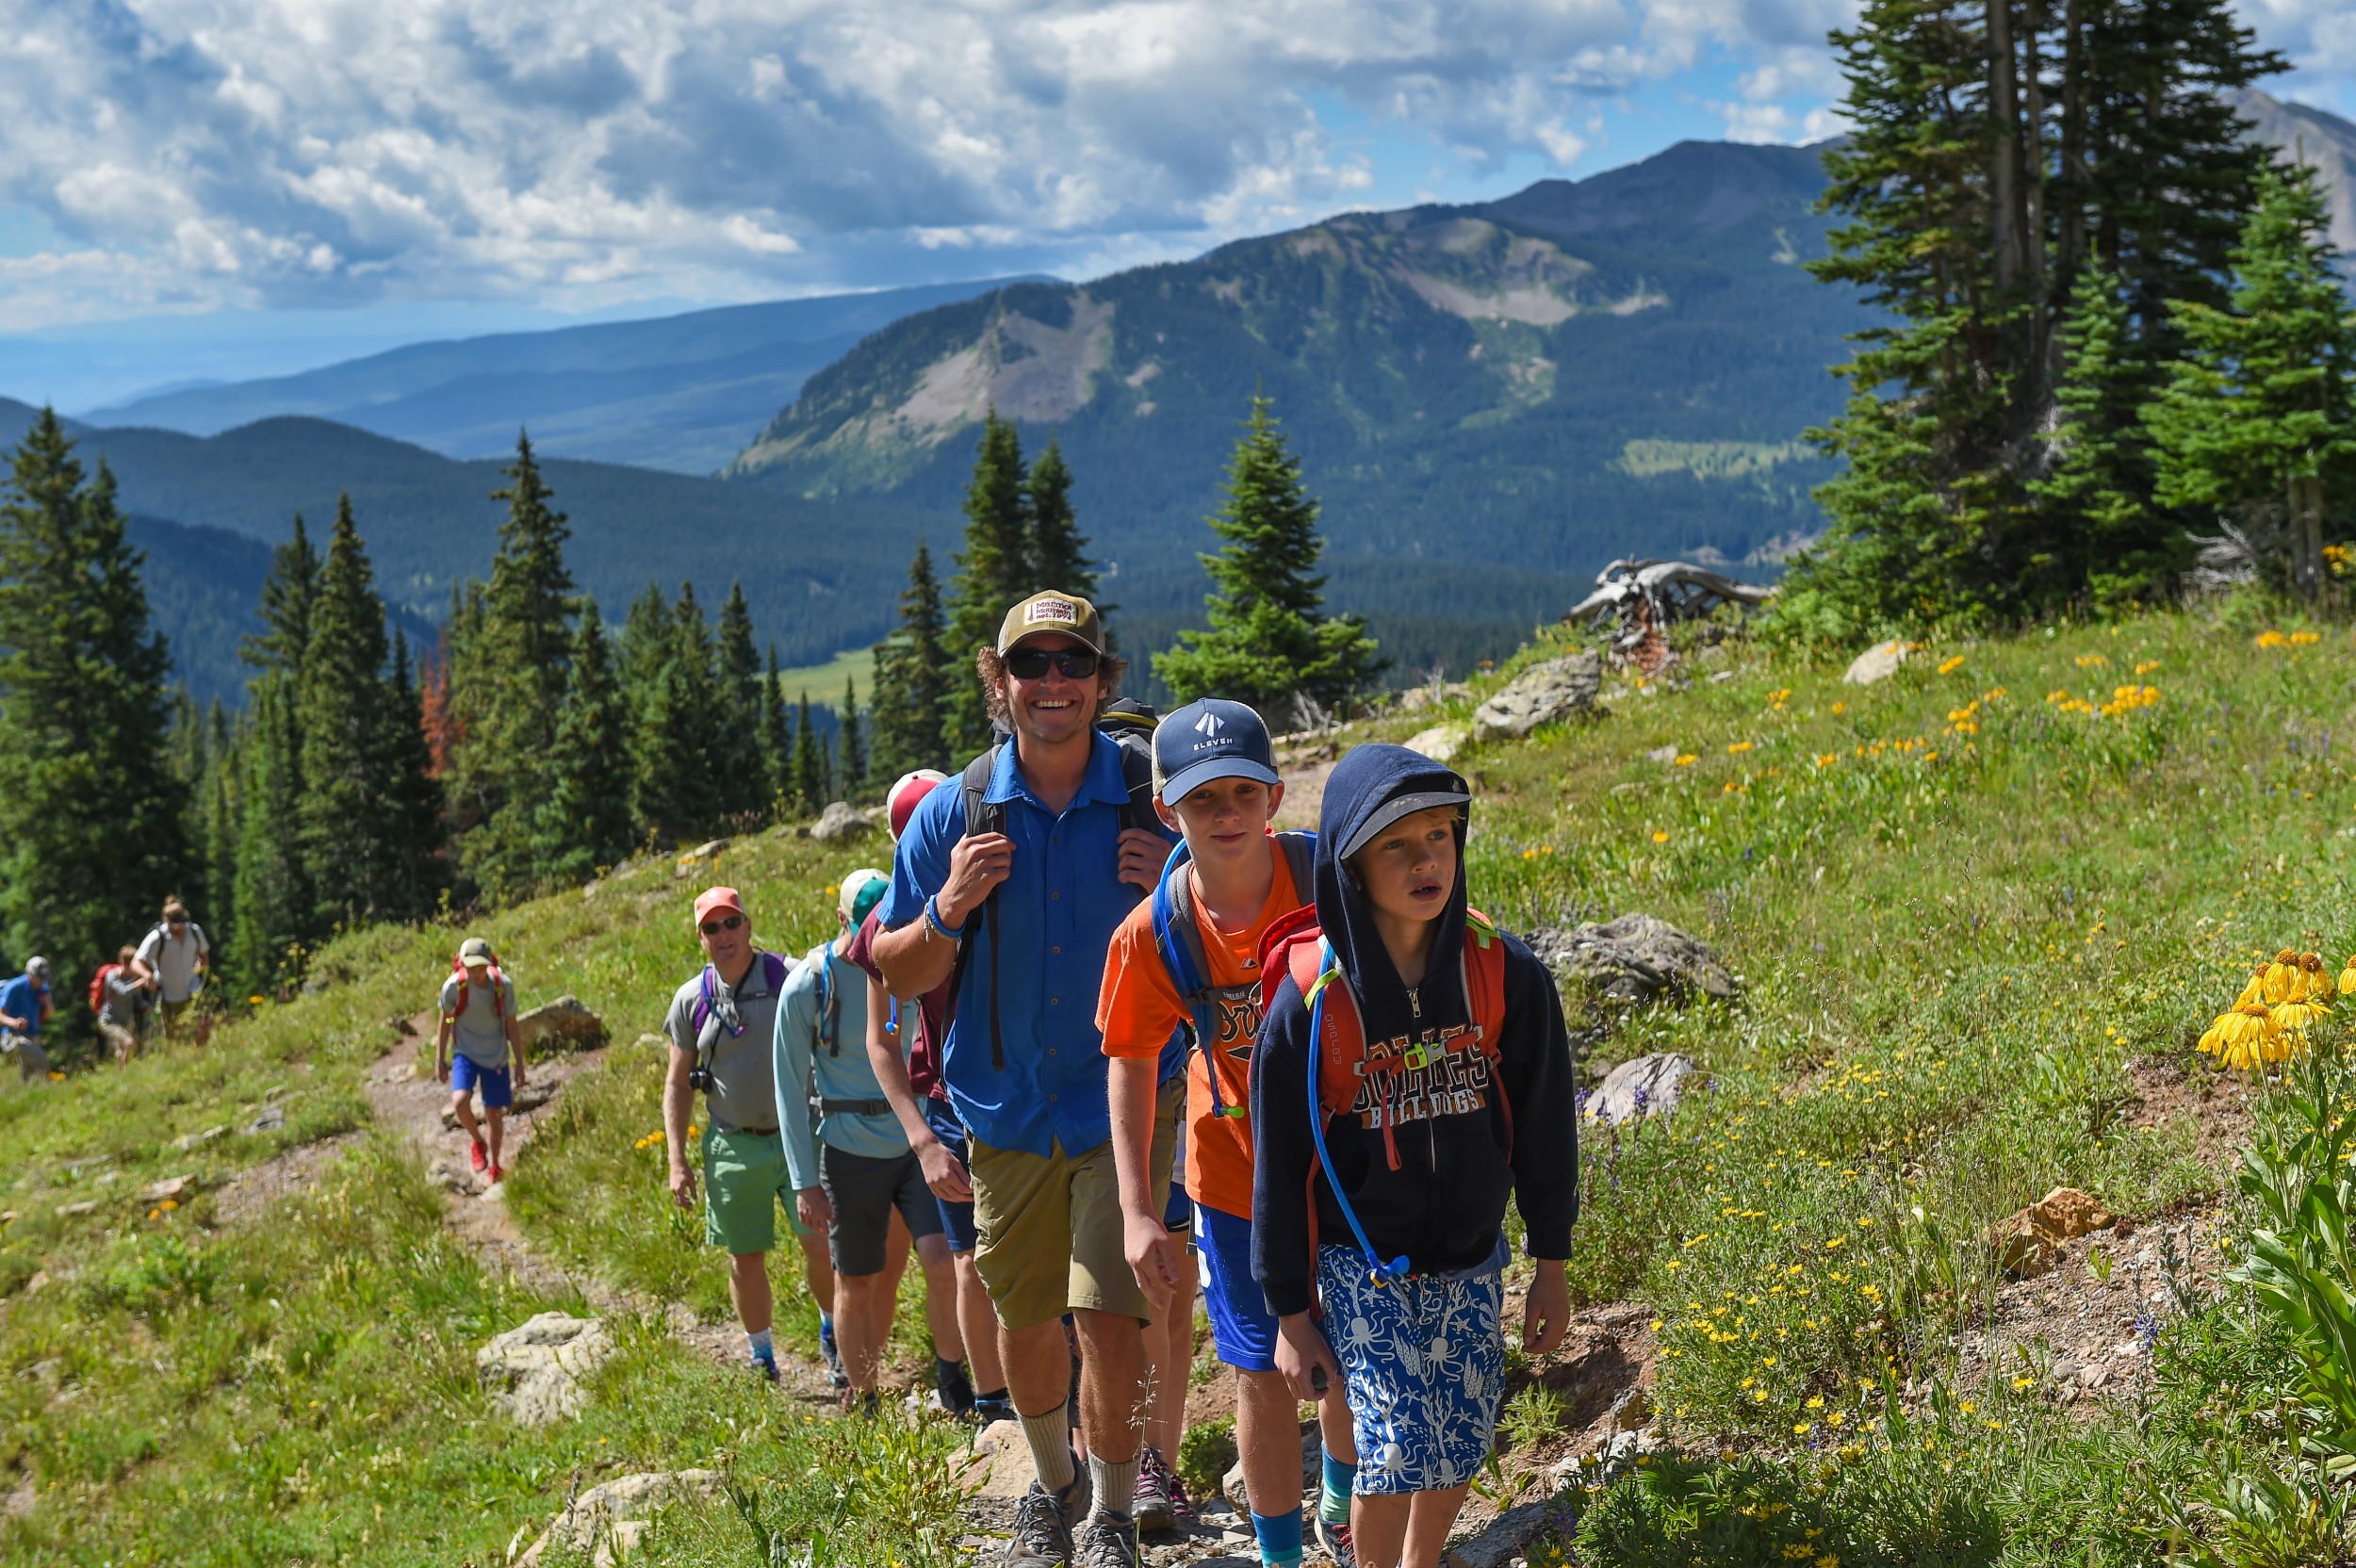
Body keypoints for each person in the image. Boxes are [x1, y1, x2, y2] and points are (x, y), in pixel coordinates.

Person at [875, 590, 1180, 1568]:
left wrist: (1177, 874)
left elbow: (1239, 916)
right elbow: (896, 967)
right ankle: (1052, 1488)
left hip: (1123, 1097)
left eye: (1073, 661)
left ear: (1101, 679)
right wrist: (950, 907)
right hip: (1003, 1106)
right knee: (1025, 1316)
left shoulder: (1147, 796)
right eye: (1031, 663)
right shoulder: (953, 812)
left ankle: (1114, 1517)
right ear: (1000, 682)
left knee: (1109, 1309)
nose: (1053, 680)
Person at [1250, 745, 1579, 1568]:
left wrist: (1552, 1260)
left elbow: (1544, 1128)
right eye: (1396, 843)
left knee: (1462, 1441)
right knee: (1393, 1448)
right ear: (1349, 864)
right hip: (1362, 1264)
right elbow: (1279, 1174)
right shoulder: (1310, 1004)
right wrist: (1291, 1315)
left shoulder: (1506, 975)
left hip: (1471, 1256)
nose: (1426, 858)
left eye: (1440, 835)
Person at [1097, 698, 1357, 1565]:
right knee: (1259, 1372)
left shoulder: (1332, 882)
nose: (1227, 814)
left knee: (1352, 1348)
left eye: (1243, 792)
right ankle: (1281, 1555)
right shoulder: (1156, 930)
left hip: (1350, 1165)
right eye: (1205, 800)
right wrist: (1138, 1211)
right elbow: (1130, 1060)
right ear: (1169, 810)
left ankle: (1346, 1501)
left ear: (1276, 796)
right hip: (1233, 1176)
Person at [778, 867, 965, 1413]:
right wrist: (803, 1181)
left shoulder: (911, 958)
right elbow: (787, 1087)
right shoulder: (809, 985)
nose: (873, 939)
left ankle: (952, 1379)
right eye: (864, 926)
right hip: (848, 1146)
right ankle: (860, 1395)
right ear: (842, 920)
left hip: (918, 1136)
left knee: (943, 1259)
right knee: (856, 1279)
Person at [858, 767, 1010, 1425]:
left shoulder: (1005, 871)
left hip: (985, 1100)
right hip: (951, 1109)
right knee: (973, 1262)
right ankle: (993, 1397)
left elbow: (884, 1040)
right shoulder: (889, 924)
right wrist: (922, 1140)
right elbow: (883, 1037)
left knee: (984, 1262)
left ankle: (1016, 1398)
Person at [663, 886, 833, 1384]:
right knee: (745, 1257)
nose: (724, 935)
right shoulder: (691, 1000)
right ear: (701, 938)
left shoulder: (788, 978)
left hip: (801, 1136)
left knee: (820, 1244)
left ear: (748, 924)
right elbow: (677, 1082)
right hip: (732, 1142)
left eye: (731, 923)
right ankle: (762, 1356)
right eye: (711, 928)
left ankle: (832, 1333)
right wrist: (677, 1160)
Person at [435, 938, 529, 1185]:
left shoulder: (502, 986)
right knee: (460, 1101)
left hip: (496, 1056)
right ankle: (477, 1141)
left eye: (480, 967)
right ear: (462, 964)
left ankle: (496, 1165)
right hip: (464, 1053)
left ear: (489, 963)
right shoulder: (454, 987)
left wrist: (519, 1063)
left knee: (494, 1114)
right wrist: (440, 1059)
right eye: (471, 967)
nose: (476, 973)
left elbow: (511, 1025)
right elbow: (445, 1021)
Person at [132, 898, 209, 1045]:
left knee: (202, 1026)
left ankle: (200, 1056)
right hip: (169, 996)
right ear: (166, 921)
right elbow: (136, 961)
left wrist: (202, 968)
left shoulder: (194, 931)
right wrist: (147, 975)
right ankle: (180, 1061)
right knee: (173, 1037)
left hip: (193, 990)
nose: (180, 928)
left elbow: (204, 953)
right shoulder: (157, 937)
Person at [97, 945, 153, 1066]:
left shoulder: (132, 977)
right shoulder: (112, 975)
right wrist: (141, 981)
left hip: (126, 1022)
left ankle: (119, 1076)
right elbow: (123, 991)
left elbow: (136, 998)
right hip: (110, 1021)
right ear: (124, 963)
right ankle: (121, 1073)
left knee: (118, 1053)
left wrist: (145, 1005)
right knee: (129, 1043)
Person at [0, 957, 52, 1082]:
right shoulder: (14, 987)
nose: (40, 982)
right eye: (38, 978)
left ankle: (28, 1096)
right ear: (30, 973)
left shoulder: (43, 989)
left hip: (33, 1036)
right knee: (41, 1059)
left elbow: (47, 1015)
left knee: (28, 1074)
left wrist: (48, 1004)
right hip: (12, 1036)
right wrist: (14, 1022)